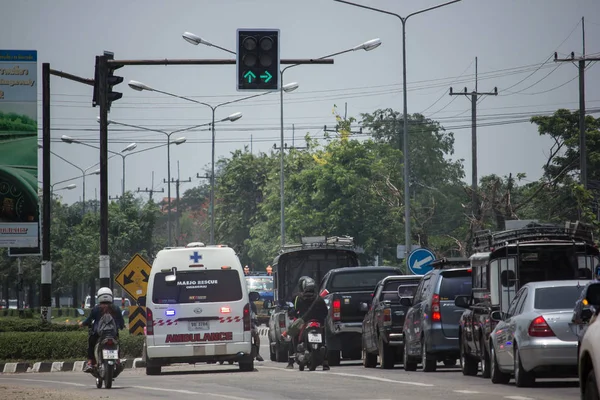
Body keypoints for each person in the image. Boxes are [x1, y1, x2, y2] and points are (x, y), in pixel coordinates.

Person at [285, 276, 329, 371]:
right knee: (324, 339)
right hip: (318, 323)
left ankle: (291, 361)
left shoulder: (299, 298)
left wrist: (292, 313)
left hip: (304, 323)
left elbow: (295, 310)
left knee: (294, 335)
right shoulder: (319, 299)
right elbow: (325, 312)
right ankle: (325, 362)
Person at [79, 287, 126, 372]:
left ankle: (90, 363)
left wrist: (82, 324)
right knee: (117, 344)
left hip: (98, 334)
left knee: (91, 343)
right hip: (113, 334)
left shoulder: (96, 308)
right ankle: (118, 360)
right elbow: (121, 322)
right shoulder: (116, 308)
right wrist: (122, 326)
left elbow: (89, 320)